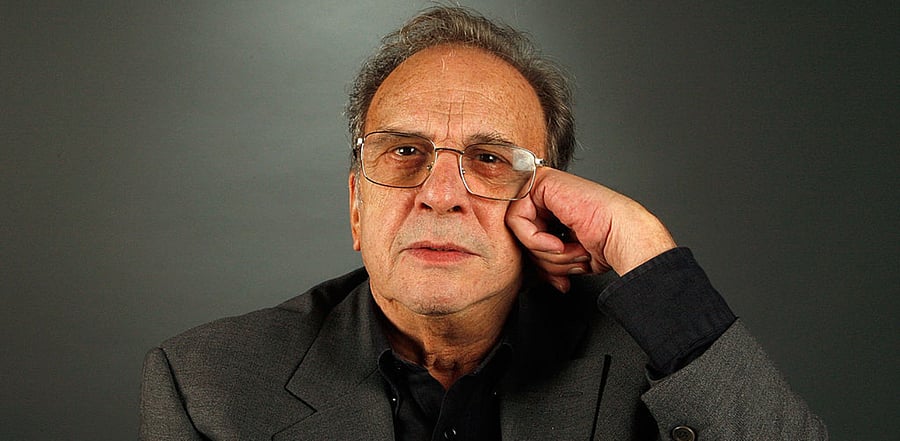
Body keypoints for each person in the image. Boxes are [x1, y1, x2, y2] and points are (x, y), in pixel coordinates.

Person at [140, 6, 827, 440]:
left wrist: (646, 249)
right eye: (404, 151)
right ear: (356, 206)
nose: (440, 193)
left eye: (490, 158)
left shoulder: (655, 365)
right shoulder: (209, 384)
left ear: (550, 201)